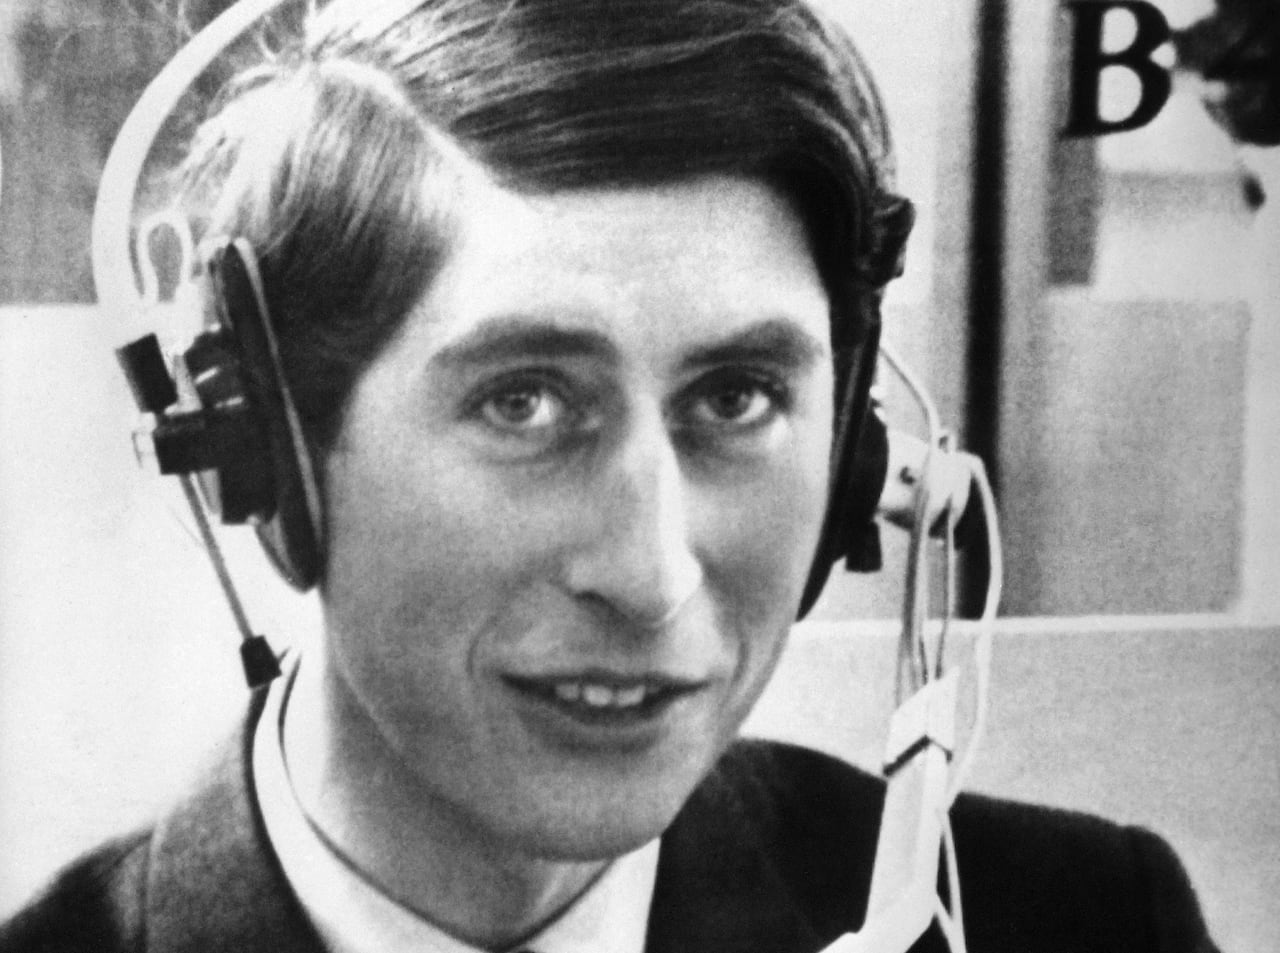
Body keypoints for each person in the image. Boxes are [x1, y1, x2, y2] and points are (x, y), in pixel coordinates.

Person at [0, 1, 1219, 951]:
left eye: (735, 397)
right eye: (522, 402)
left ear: (850, 452)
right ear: (275, 457)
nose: (649, 575)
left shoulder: (1085, 921)